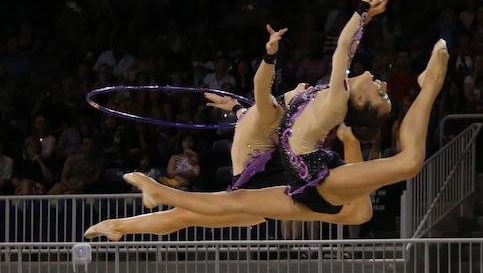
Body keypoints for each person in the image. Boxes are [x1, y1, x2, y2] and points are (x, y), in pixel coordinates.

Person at [120, 0, 451, 226]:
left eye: (382, 95)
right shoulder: (288, 108)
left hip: (302, 183)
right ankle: (142, 209)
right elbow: (259, 101)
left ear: (360, 102)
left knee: (364, 208)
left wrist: (363, 10)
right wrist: (240, 101)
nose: (385, 86)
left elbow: (266, 93)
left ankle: (153, 199)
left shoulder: (302, 105)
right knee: (206, 211)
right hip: (301, 182)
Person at [84, 25, 376, 240]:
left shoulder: (272, 112)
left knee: (186, 214)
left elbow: (260, 86)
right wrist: (235, 107)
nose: (302, 87)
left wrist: (270, 54)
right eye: (301, 87)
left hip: (257, 187)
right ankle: (118, 227)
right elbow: (250, 118)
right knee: (183, 218)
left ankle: (159, 194)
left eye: (302, 89)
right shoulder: (266, 116)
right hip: (254, 190)